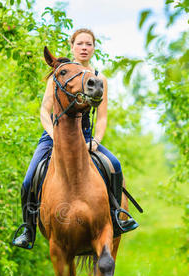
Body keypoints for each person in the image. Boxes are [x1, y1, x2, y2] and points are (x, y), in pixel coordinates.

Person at [12, 28, 138, 249]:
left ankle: (116, 217)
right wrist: (54, 135)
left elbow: (102, 118)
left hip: (86, 137)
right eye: (80, 43)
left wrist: (95, 141)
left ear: (94, 48)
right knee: (28, 179)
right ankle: (29, 229)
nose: (84, 48)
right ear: (72, 46)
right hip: (53, 136)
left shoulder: (99, 79)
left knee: (115, 166)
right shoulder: (60, 72)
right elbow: (44, 110)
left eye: (88, 44)